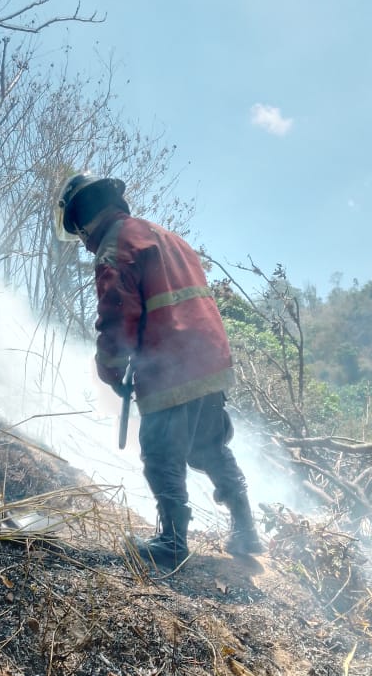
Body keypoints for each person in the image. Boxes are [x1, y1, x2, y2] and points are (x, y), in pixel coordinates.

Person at [57, 173, 263, 570]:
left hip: (172, 364)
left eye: (79, 229)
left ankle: (171, 541)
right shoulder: (167, 237)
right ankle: (246, 529)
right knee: (209, 447)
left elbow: (117, 315)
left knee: (160, 452)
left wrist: (111, 370)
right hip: (210, 358)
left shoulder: (117, 245)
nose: (82, 240)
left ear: (84, 219)